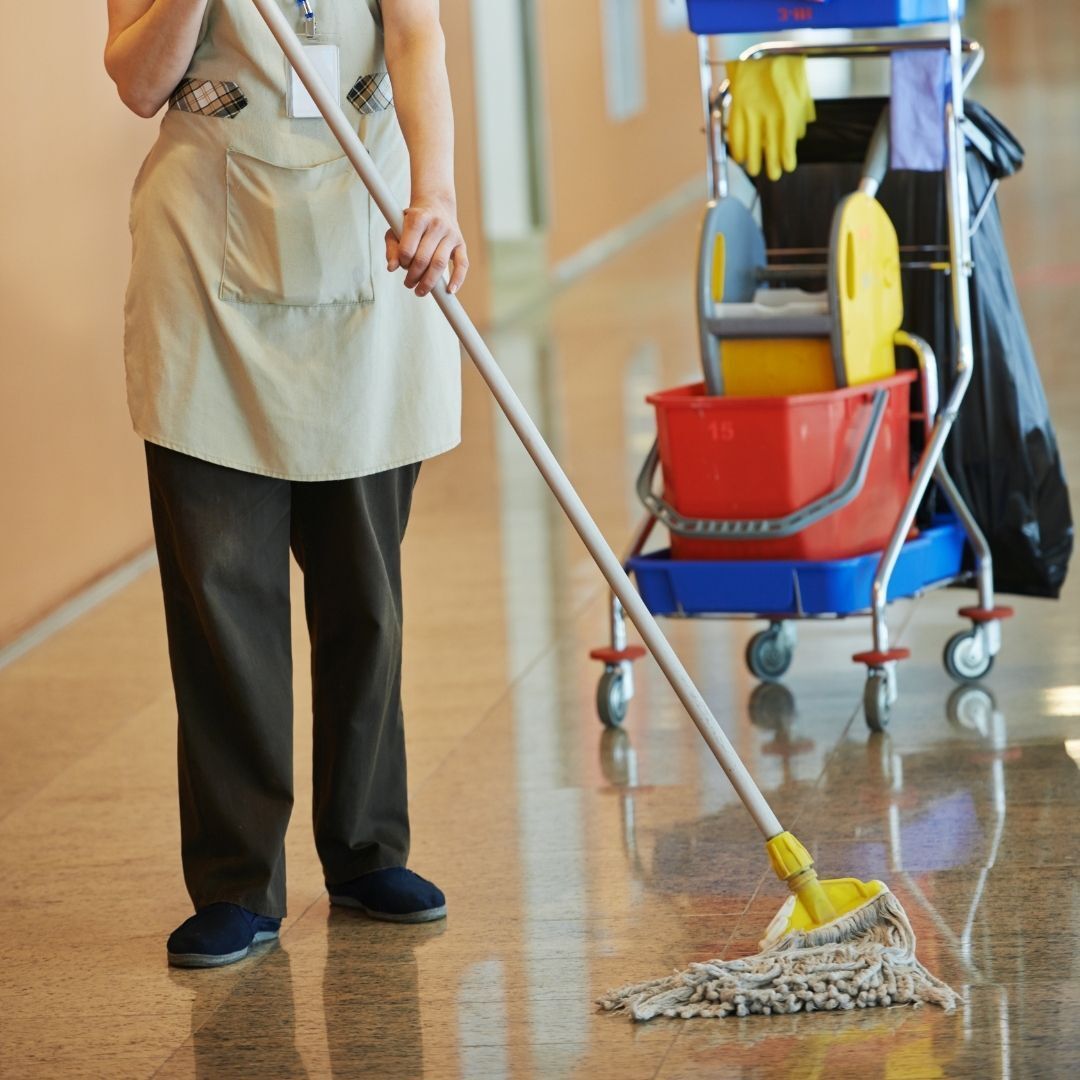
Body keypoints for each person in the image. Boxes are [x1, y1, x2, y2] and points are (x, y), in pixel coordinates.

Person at [104, 0, 467, 968]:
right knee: (224, 600)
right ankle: (235, 882)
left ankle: (365, 850)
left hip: (366, 218)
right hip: (204, 234)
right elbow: (139, 82)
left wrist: (438, 195)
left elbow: (417, 35)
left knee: (365, 587)